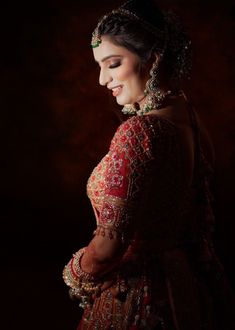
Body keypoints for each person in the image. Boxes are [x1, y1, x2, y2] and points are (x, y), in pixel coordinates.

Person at [63, 0, 235, 329]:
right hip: (191, 289)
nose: (102, 79)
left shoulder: (139, 133)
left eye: (112, 64)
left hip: (140, 298)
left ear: (153, 58)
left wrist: (75, 273)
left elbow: (107, 249)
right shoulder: (189, 119)